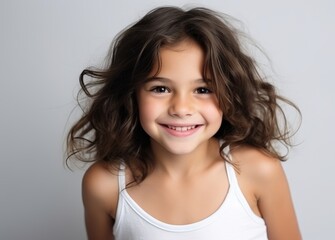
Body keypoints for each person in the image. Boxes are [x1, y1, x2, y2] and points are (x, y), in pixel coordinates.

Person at [67, 6, 302, 240]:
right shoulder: (103, 185)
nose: (181, 108)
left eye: (203, 89)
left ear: (229, 93)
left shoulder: (258, 171)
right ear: (131, 94)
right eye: (160, 89)